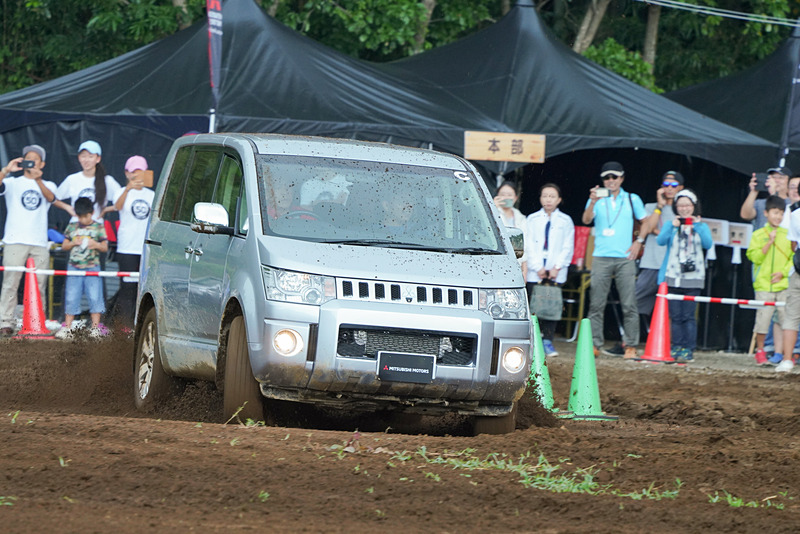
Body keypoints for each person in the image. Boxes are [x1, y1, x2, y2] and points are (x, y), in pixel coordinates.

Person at [581, 161, 647, 359]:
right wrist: (592, 201)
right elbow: (585, 220)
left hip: (624, 257)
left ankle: (631, 345)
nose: (611, 181)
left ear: (622, 178)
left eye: (614, 177)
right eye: (607, 178)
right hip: (601, 256)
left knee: (629, 303)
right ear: (603, 180)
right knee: (596, 304)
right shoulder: (597, 199)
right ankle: (594, 344)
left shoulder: (631, 198)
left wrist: (639, 242)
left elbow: (645, 222)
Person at [0, 145, 57, 336]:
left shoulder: (49, 184)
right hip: (14, 240)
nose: (31, 162)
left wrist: (37, 178)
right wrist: (6, 170)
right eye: (28, 159)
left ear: (43, 163)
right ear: (22, 161)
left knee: (39, 284)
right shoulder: (13, 183)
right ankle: (4, 322)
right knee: (10, 283)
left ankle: (35, 322)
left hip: (39, 242)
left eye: (35, 159)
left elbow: (51, 198)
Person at [656, 189, 713, 362]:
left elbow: (708, 244)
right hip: (673, 275)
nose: (684, 209)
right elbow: (660, 241)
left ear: (694, 206)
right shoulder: (670, 224)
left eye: (687, 205)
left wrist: (696, 226)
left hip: (693, 278)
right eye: (680, 205)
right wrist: (672, 227)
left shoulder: (701, 225)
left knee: (688, 315)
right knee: (676, 315)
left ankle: (688, 349)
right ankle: (676, 347)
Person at [740, 167, 791, 358]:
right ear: (767, 213)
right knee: (763, 318)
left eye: (780, 213)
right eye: (772, 177)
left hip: (784, 282)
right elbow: (754, 257)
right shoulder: (758, 234)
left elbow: (793, 257)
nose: (777, 216)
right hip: (763, 281)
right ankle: (761, 350)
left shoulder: (788, 234)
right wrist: (768, 242)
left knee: (785, 319)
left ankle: (784, 353)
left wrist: (784, 273)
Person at [525, 183, 574, 357]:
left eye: (552, 196)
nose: (548, 199)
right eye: (545, 195)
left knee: (551, 306)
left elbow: (568, 246)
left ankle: (548, 341)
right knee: (534, 306)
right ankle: (533, 341)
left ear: (559, 200)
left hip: (555, 272)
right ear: (540, 198)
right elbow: (528, 244)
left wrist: (557, 267)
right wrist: (538, 267)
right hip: (535, 271)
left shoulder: (566, 221)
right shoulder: (531, 219)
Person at [106, 156, 154, 331]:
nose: (136, 175)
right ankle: (124, 326)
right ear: (127, 173)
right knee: (127, 288)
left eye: (140, 171)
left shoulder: (152, 195)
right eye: (133, 171)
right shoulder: (121, 192)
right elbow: (117, 207)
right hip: (127, 248)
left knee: (143, 288)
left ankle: (138, 325)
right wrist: (127, 189)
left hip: (145, 248)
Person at [635, 171, 684, 330]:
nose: (669, 188)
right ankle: (628, 342)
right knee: (635, 301)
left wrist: (660, 231)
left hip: (673, 265)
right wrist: (659, 206)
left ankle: (667, 344)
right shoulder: (651, 207)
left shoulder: (683, 209)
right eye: (666, 185)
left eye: (674, 185)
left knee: (670, 307)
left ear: (681, 188)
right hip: (651, 262)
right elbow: (647, 228)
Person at [55, 197, 109, 339]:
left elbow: (105, 247)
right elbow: (64, 245)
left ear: (91, 213)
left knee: (95, 296)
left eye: (86, 216)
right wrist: (74, 243)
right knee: (71, 296)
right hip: (74, 267)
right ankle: (67, 328)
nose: (83, 220)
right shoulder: (72, 227)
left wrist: (95, 244)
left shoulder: (98, 227)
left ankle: (96, 328)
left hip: (92, 267)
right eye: (80, 217)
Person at [54, 140, 122, 222]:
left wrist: (107, 209)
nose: (86, 160)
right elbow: (54, 199)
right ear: (79, 158)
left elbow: (123, 200)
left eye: (90, 156)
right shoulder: (72, 179)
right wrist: (67, 208)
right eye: (83, 156)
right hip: (76, 228)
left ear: (98, 159)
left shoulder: (107, 180)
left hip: (97, 228)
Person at [493, 180, 528, 279]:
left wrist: (524, 270)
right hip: (497, 262)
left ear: (516, 198)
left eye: (509, 195)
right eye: (503, 194)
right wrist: (492, 207)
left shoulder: (521, 218)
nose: (506, 197)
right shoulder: (493, 213)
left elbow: (526, 245)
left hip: (516, 264)